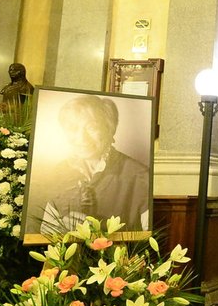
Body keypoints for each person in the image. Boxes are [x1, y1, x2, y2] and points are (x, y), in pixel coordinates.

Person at [33, 95, 150, 237]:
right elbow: (44, 235)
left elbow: (149, 242)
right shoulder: (57, 173)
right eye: (73, 128)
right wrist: (61, 229)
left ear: (110, 129)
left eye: (92, 127)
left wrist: (99, 234)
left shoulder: (140, 175)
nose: (82, 137)